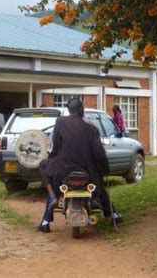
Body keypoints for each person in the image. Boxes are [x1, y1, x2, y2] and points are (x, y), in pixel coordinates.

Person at [37, 99, 122, 233]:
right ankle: (112, 213)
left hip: (63, 168)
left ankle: (46, 218)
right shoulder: (92, 129)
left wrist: (53, 159)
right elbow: (99, 154)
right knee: (98, 183)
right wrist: (105, 169)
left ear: (69, 111)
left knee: (46, 171)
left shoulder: (60, 122)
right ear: (82, 111)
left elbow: (56, 146)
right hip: (87, 170)